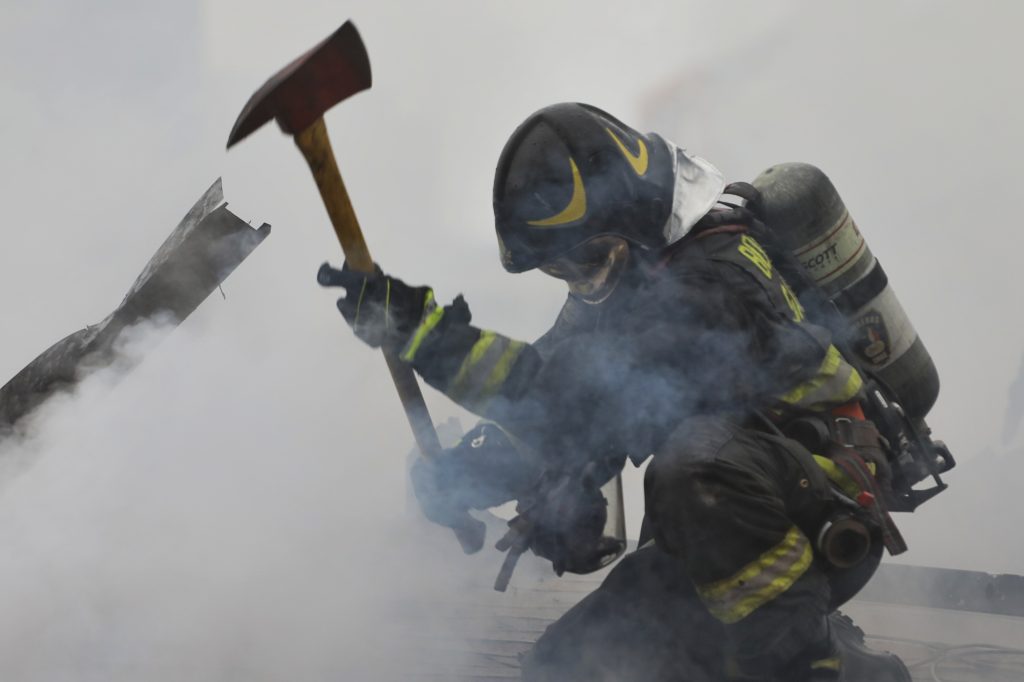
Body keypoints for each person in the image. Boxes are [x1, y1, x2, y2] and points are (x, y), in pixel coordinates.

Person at [318, 102, 912, 681]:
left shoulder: (717, 279)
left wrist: (427, 336)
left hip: (824, 508)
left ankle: (813, 667)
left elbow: (569, 401)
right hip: (711, 537)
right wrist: (467, 472)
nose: (579, 279)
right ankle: (825, 659)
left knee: (693, 468)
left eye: (587, 256)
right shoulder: (623, 279)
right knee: (563, 669)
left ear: (634, 218)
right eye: (562, 268)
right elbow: (553, 398)